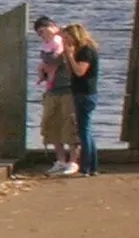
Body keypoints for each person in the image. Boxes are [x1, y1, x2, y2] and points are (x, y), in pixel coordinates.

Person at [35, 15, 79, 176]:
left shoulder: (65, 40)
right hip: (52, 90)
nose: (43, 34)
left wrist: (46, 63)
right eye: (39, 33)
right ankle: (60, 160)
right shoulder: (47, 46)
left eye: (44, 30)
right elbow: (48, 61)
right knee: (51, 125)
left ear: (53, 26)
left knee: (71, 126)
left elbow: (57, 59)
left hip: (68, 89)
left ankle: (73, 161)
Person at [61, 22, 101, 177]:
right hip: (80, 92)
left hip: (86, 94)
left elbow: (79, 71)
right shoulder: (80, 51)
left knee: (84, 131)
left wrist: (70, 56)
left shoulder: (86, 51)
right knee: (86, 130)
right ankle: (92, 167)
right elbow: (71, 71)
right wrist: (68, 55)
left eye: (67, 38)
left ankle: (86, 167)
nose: (66, 42)